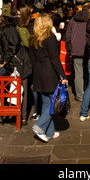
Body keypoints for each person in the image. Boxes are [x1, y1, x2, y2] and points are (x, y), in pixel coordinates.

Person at [29, 13, 68, 142]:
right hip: (49, 74)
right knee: (53, 104)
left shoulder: (33, 39)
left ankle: (49, 132)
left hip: (38, 74)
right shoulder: (50, 38)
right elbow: (55, 60)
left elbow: (32, 59)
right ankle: (39, 126)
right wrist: (62, 76)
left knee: (46, 102)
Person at [0, 14, 33, 125]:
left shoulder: (7, 29)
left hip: (19, 63)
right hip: (16, 62)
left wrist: (6, 58)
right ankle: (17, 113)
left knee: (23, 88)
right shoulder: (4, 29)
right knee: (18, 89)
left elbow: (14, 44)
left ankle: (22, 116)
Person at [65, 2, 90, 101]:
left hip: (76, 49)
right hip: (89, 49)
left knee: (78, 73)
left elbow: (68, 34)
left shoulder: (73, 19)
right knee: (89, 72)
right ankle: (88, 93)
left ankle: (80, 95)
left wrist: (69, 46)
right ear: (89, 10)